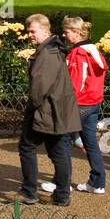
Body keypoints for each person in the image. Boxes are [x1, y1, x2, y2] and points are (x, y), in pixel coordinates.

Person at [18, 14, 78, 206]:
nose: (29, 35)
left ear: (45, 30)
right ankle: (61, 195)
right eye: (28, 31)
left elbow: (39, 87)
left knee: (27, 146)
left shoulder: (47, 53)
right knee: (59, 150)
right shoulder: (55, 48)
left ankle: (29, 192)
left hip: (47, 110)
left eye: (32, 31)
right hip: (57, 109)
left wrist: (31, 107)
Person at [64, 17, 108, 195]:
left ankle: (62, 182)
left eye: (67, 31)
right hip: (94, 101)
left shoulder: (78, 53)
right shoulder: (92, 49)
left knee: (62, 140)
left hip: (80, 101)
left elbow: (76, 81)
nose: (64, 35)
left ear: (76, 32)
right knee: (90, 142)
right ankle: (97, 182)